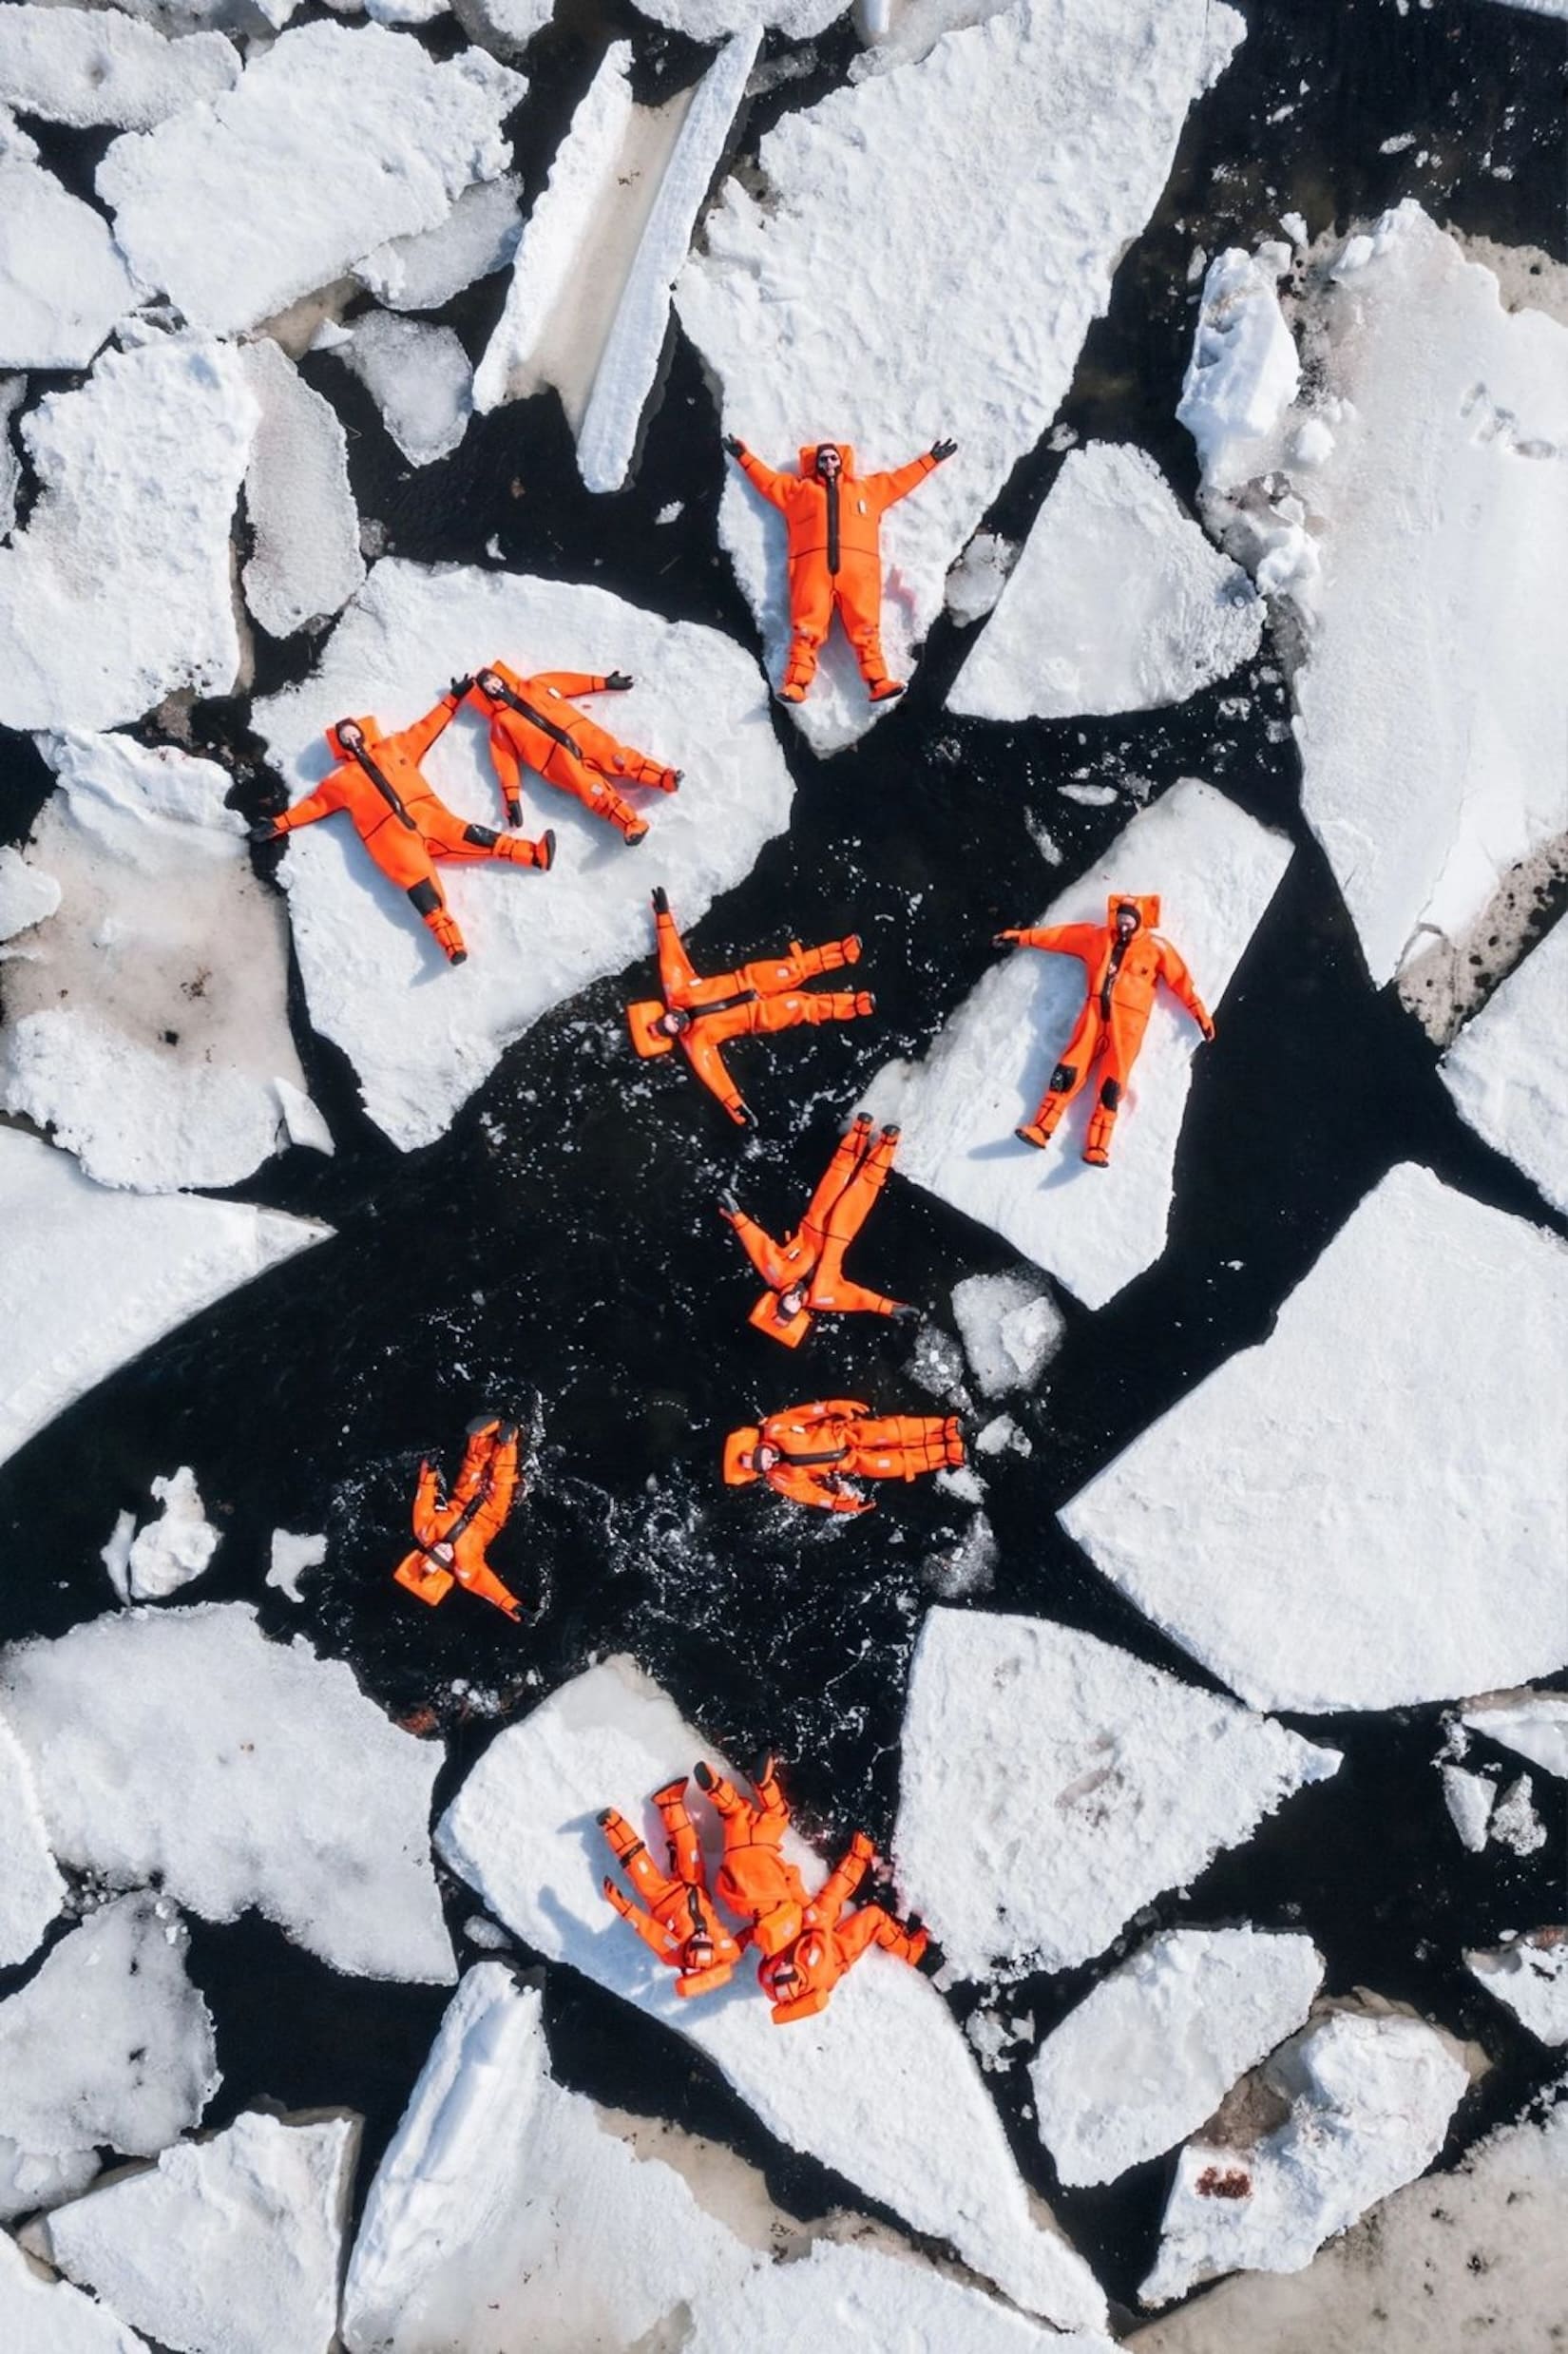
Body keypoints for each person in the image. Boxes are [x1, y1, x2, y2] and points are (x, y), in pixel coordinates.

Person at [251, 691, 552, 965]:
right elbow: (312, 807)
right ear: (339, 745)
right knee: (424, 894)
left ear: (363, 730)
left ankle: (534, 854)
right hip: (395, 843)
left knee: (477, 836)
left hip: (431, 819)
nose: (351, 738)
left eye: (353, 731)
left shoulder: (396, 747)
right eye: (345, 737)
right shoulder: (340, 782)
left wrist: (453, 699)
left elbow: (426, 728)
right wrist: (276, 825)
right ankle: (451, 944)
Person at [723, 435, 956, 703]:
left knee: (866, 629)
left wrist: (931, 460)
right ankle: (796, 684)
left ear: (842, 461)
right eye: (823, 459)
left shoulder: (868, 490)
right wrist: (744, 456)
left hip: (859, 575)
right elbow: (768, 481)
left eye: (833, 457)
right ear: (815, 463)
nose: (829, 462)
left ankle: (879, 682)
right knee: (806, 631)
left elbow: (900, 481)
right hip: (812, 574)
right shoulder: (798, 492)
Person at [995, 893, 1214, 1166]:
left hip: (1127, 1028)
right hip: (1093, 1018)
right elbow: (1057, 936)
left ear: (1138, 922)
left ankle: (1097, 1147)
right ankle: (1041, 1129)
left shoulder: (1157, 949)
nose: (1123, 925)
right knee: (1066, 1073)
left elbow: (1182, 982)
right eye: (1120, 919)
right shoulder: (1096, 938)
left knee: (1111, 1087)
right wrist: (1020, 936)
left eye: (1128, 920)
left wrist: (1200, 1015)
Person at [626, 889, 873, 1126]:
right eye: (671, 1029)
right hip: (759, 1016)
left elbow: (672, 957)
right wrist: (735, 1105)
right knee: (801, 1005)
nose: (674, 1022)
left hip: (749, 979)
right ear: (674, 1035)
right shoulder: (695, 1042)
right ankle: (853, 1005)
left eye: (666, 1020)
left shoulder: (678, 990)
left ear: (663, 1013)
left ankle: (842, 953)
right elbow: (715, 1076)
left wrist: (663, 916)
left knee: (792, 969)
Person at [720, 1112, 915, 1346]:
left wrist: (736, 1216)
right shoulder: (826, 1297)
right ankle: (887, 1144)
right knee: (865, 1187)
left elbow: (757, 1244)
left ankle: (860, 1132)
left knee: (837, 1174)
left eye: (786, 1301)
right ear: (800, 1310)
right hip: (843, 1230)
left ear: (779, 1298)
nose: (793, 1296)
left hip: (815, 1219)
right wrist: (893, 1309)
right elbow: (860, 1299)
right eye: (794, 1305)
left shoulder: (777, 1273)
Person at [463, 662, 679, 847]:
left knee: (620, 758)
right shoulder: (501, 724)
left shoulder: (536, 685)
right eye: (487, 685)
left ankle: (665, 778)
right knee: (595, 792)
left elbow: (568, 682)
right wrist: (511, 798)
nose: (494, 685)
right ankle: (630, 825)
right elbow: (505, 761)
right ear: (485, 693)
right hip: (559, 764)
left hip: (585, 736)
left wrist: (604, 682)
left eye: (493, 679)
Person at [756, 1830, 928, 2024]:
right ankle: (910, 1952)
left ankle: (860, 1856)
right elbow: (818, 1923)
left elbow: (769, 1954)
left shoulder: (768, 1977)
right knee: (874, 1918)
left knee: (830, 1896)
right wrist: (797, 1892)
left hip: (808, 1937)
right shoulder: (814, 1964)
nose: (781, 1965)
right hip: (836, 1954)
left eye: (780, 1967)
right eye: (786, 1968)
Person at [599, 1777, 744, 1997]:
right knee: (689, 1845)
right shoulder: (727, 1951)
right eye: (706, 1942)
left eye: (696, 1944)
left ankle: (613, 1825)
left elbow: (646, 1928)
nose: (701, 1937)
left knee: (638, 1864)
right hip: (694, 1885)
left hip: (662, 1897)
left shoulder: (671, 1951)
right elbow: (739, 1947)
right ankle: (670, 1801)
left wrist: (621, 1904)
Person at [392, 1413, 526, 1620]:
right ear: (448, 1567)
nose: (443, 1550)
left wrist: (429, 1470)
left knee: (473, 1465)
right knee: (502, 1481)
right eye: (443, 1559)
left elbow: (424, 1496)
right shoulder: (467, 1570)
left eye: (435, 1552)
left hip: (464, 1496)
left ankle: (484, 1435)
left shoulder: (424, 1530)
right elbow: (489, 1588)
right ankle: (507, 1444)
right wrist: (513, 1607)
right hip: (492, 1514)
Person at [722, 1402, 965, 1515]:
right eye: (761, 1466)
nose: (767, 1462)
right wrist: (838, 1503)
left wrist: (834, 1406)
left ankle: (943, 1429)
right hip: (849, 1464)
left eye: (760, 1457)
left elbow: (808, 1413)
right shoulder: (780, 1479)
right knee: (893, 1465)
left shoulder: (776, 1428)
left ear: (757, 1447)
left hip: (846, 1435)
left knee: (891, 1431)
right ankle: (946, 1455)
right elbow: (810, 1494)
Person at [691, 1754, 811, 1958]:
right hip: (735, 1846)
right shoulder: (738, 1906)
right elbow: (722, 1882)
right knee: (733, 1811)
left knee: (778, 1812)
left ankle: (764, 1785)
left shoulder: (784, 1897)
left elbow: (791, 1873)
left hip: (765, 1841)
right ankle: (715, 1787)